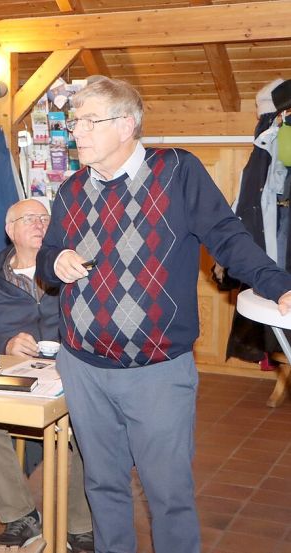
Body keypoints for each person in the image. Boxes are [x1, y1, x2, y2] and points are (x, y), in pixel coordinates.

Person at [36, 76, 291, 553]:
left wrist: (280, 285)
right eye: (76, 123)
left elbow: (228, 237)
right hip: (82, 365)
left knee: (168, 495)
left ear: (127, 125)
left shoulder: (177, 171)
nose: (78, 133)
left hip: (156, 371)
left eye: (90, 121)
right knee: (102, 486)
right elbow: (48, 254)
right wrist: (56, 260)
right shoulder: (70, 189)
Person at [0, 198, 93, 553]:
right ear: (10, 230)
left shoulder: (73, 271)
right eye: (28, 219)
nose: (39, 224)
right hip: (11, 377)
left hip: (69, 373)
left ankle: (80, 526)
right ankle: (21, 515)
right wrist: (6, 342)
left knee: (87, 425)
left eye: (45, 218)